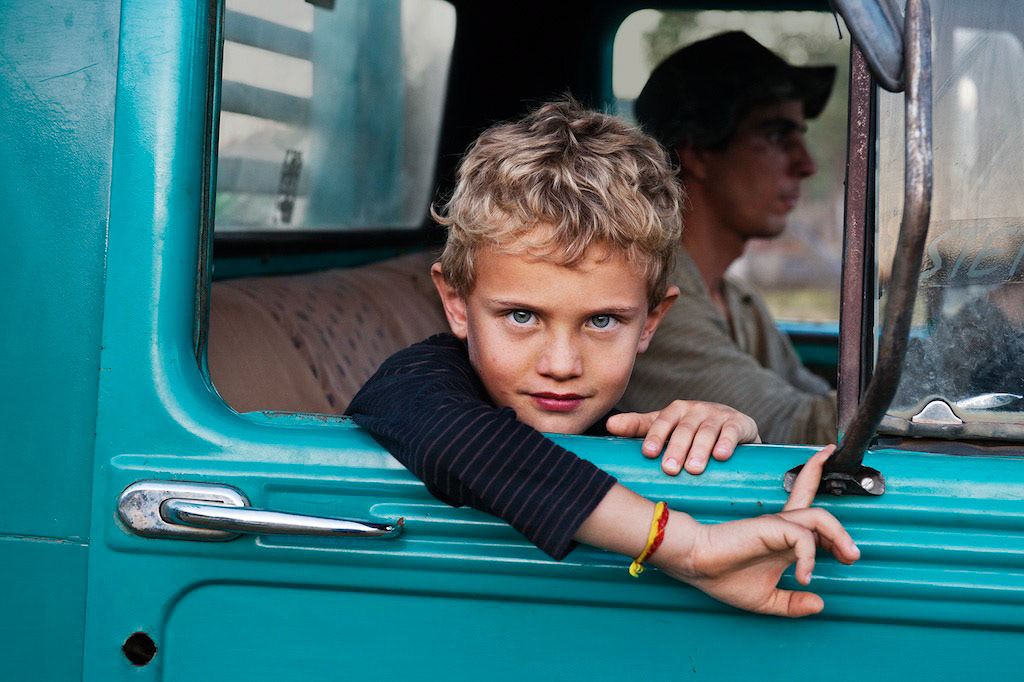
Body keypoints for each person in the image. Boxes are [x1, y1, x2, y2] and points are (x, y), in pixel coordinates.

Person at [347, 98, 859, 617]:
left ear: (652, 322)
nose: (563, 364)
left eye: (602, 321)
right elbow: (463, 441)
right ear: (457, 303)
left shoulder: (611, 422)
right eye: (522, 317)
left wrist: (727, 442)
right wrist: (690, 547)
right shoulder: (414, 384)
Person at [620, 31, 839, 446]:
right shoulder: (651, 299)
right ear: (699, 152)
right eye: (777, 135)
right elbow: (798, 427)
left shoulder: (740, 300)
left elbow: (811, 396)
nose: (806, 164)